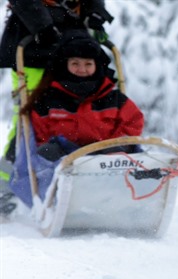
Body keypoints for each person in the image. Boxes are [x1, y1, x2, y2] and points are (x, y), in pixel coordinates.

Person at [0, 0, 113, 215]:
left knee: (84, 111)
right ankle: (9, 182)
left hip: (73, 42)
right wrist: (41, 25)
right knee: (30, 115)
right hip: (33, 44)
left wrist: (95, 11)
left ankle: (83, 174)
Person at [21, 30, 144, 161]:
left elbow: (133, 121)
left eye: (88, 64)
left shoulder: (113, 98)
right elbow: (39, 133)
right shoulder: (49, 100)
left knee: (124, 148)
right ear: (65, 64)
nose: (82, 69)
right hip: (64, 163)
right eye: (75, 63)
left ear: (97, 65)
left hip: (107, 161)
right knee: (46, 152)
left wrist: (116, 144)